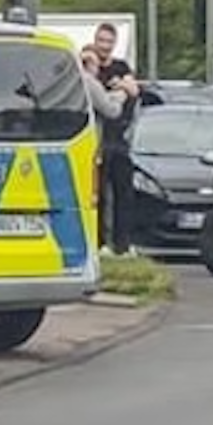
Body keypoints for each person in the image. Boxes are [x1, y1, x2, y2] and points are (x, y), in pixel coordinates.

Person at [89, 23, 141, 253]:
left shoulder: (121, 66)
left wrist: (121, 85)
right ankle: (99, 243)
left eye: (109, 42)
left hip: (119, 140)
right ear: (95, 40)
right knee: (98, 195)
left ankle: (123, 244)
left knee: (123, 194)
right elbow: (96, 97)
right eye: (101, 41)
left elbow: (135, 89)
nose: (104, 46)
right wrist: (119, 90)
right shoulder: (88, 65)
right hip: (96, 141)